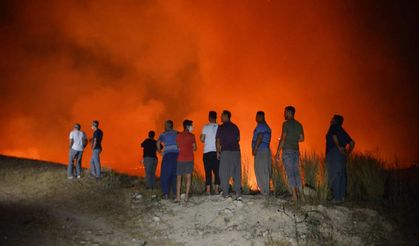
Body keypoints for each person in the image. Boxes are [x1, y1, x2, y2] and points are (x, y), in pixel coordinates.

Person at [275, 106, 304, 202]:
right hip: (296, 151)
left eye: (285, 112)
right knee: (297, 173)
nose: (284, 114)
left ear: (289, 112)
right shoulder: (299, 124)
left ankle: (295, 197)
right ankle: (302, 196)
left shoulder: (286, 124)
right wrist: (293, 139)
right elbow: (301, 138)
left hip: (287, 151)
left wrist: (278, 152)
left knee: (290, 173)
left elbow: (283, 138)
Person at [325, 114, 355, 203]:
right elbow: (352, 143)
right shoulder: (342, 131)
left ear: (335, 121)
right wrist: (348, 153)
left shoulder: (333, 127)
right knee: (342, 174)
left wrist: (338, 147)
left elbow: (334, 136)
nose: (330, 120)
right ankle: (342, 197)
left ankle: (336, 198)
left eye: (332, 119)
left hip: (334, 153)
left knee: (334, 174)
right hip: (342, 155)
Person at [216, 110, 242, 199]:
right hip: (236, 151)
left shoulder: (221, 127)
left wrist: (218, 152)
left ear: (226, 116)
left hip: (226, 151)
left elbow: (218, 140)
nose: (221, 117)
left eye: (222, 116)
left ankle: (226, 193)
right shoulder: (235, 127)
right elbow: (238, 138)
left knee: (223, 172)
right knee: (236, 172)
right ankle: (238, 192)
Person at [175, 120, 197, 202]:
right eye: (191, 126)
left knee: (178, 178)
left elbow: (177, 146)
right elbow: (195, 148)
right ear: (188, 126)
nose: (192, 127)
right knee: (188, 178)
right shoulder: (192, 136)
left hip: (180, 158)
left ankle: (177, 197)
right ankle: (186, 197)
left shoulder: (179, 135)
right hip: (189, 159)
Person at [157, 120, 179, 199]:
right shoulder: (177, 133)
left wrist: (160, 151)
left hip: (168, 156)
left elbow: (158, 142)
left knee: (165, 174)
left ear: (167, 126)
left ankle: (166, 194)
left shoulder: (163, 134)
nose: (164, 126)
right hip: (176, 155)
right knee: (175, 174)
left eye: (165, 125)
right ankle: (175, 193)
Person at [252, 111, 272, 196]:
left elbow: (260, 137)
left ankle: (264, 191)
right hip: (265, 150)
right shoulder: (267, 127)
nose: (256, 118)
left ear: (260, 117)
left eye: (257, 117)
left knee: (260, 170)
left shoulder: (261, 126)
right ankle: (265, 190)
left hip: (261, 150)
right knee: (265, 170)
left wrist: (255, 149)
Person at [200, 111, 220, 195]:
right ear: (216, 117)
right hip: (217, 152)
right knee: (217, 172)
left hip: (207, 152)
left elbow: (202, 139)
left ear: (209, 117)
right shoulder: (219, 127)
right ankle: (216, 190)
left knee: (208, 172)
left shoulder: (205, 127)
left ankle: (208, 191)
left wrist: (200, 136)